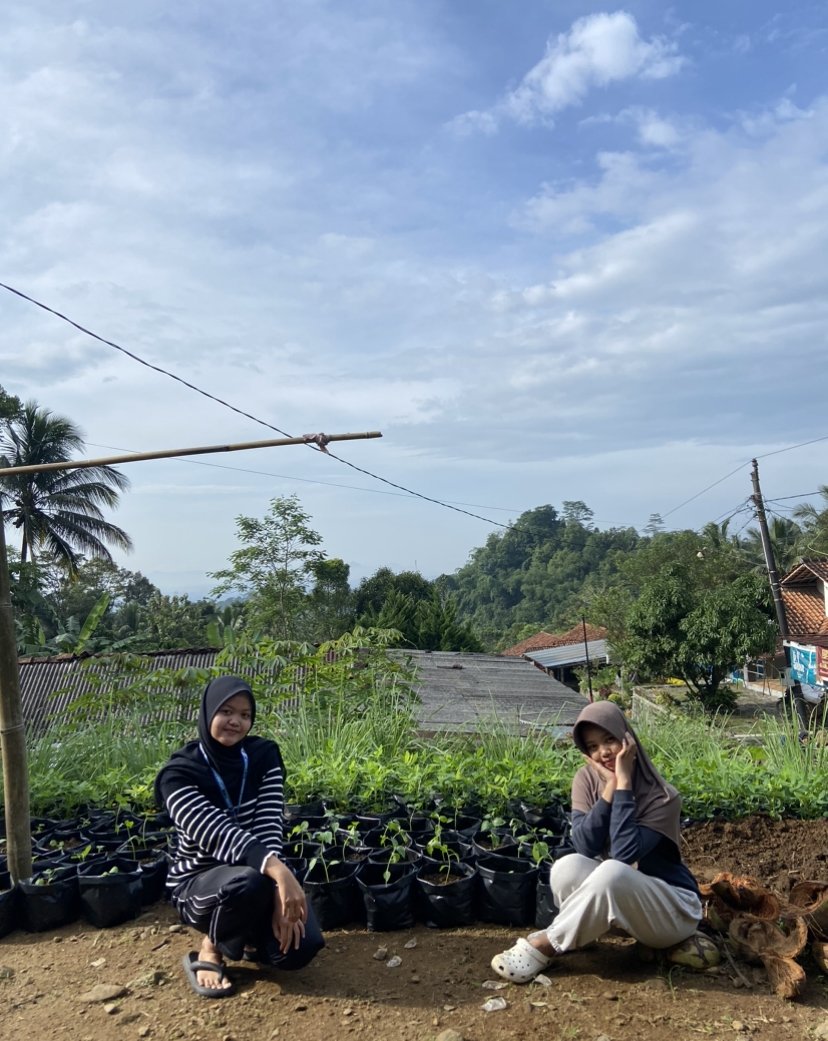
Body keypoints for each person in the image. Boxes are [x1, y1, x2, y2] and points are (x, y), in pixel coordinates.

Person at [491, 701, 706, 983]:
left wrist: (625, 784)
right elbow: (584, 844)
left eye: (609, 740)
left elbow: (623, 854)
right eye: (592, 746)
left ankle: (545, 945)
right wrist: (608, 789)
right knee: (566, 866)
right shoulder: (586, 779)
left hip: (673, 910)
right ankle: (581, 935)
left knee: (612, 871)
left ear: (627, 740)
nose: (602, 752)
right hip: (628, 906)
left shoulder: (663, 797)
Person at [155, 675, 324, 997]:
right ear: (208, 713)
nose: (236, 721)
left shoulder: (264, 757)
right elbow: (217, 834)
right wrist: (279, 874)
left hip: (259, 872)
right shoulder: (178, 775)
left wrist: (277, 885)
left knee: (299, 951)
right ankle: (211, 946)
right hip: (201, 881)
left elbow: (269, 824)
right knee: (248, 882)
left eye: (245, 715)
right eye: (227, 712)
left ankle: (246, 936)